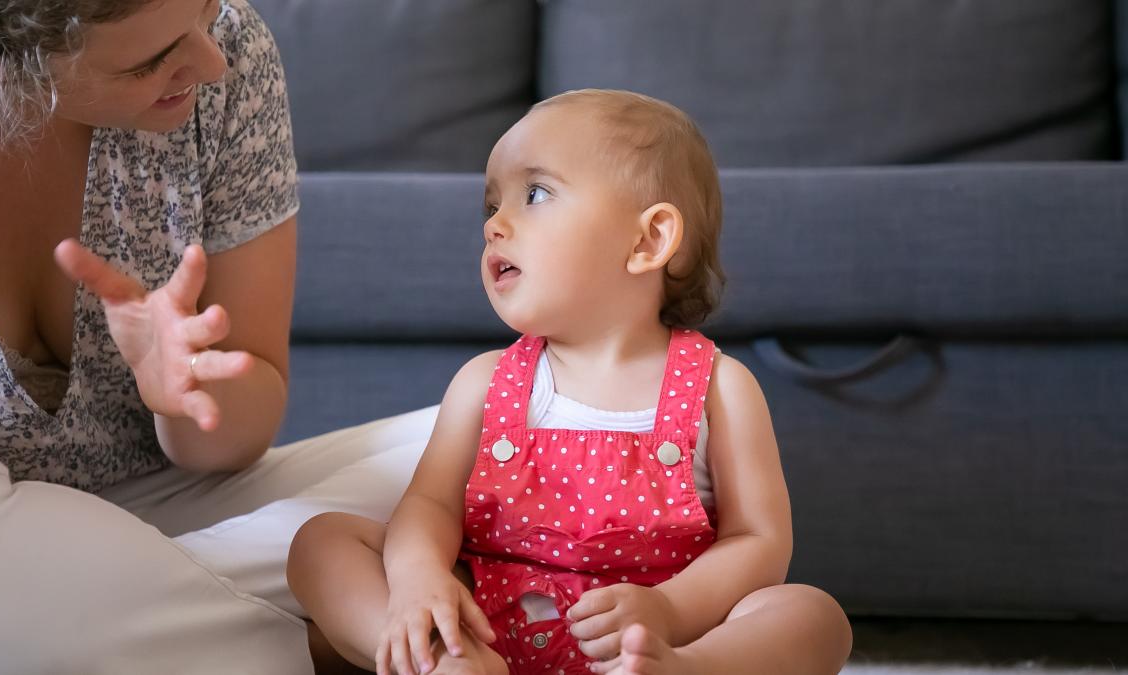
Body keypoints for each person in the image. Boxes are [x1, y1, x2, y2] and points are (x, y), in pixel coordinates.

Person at [0, 1, 435, 672]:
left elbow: (232, 444)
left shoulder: (231, 48)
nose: (212, 60)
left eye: (204, 8)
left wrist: (192, 383)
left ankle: (136, 635)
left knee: (501, 431)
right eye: (147, 62)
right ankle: (344, 634)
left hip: (173, 514)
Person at [287, 89, 854, 675]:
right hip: (487, 631)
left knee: (812, 616)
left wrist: (667, 611)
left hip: (651, 639)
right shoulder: (487, 382)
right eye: (491, 206)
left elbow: (758, 542)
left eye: (534, 194)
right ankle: (438, 661)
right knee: (322, 542)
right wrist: (418, 579)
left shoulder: (718, 389)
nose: (495, 226)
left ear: (648, 241)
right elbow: (429, 506)